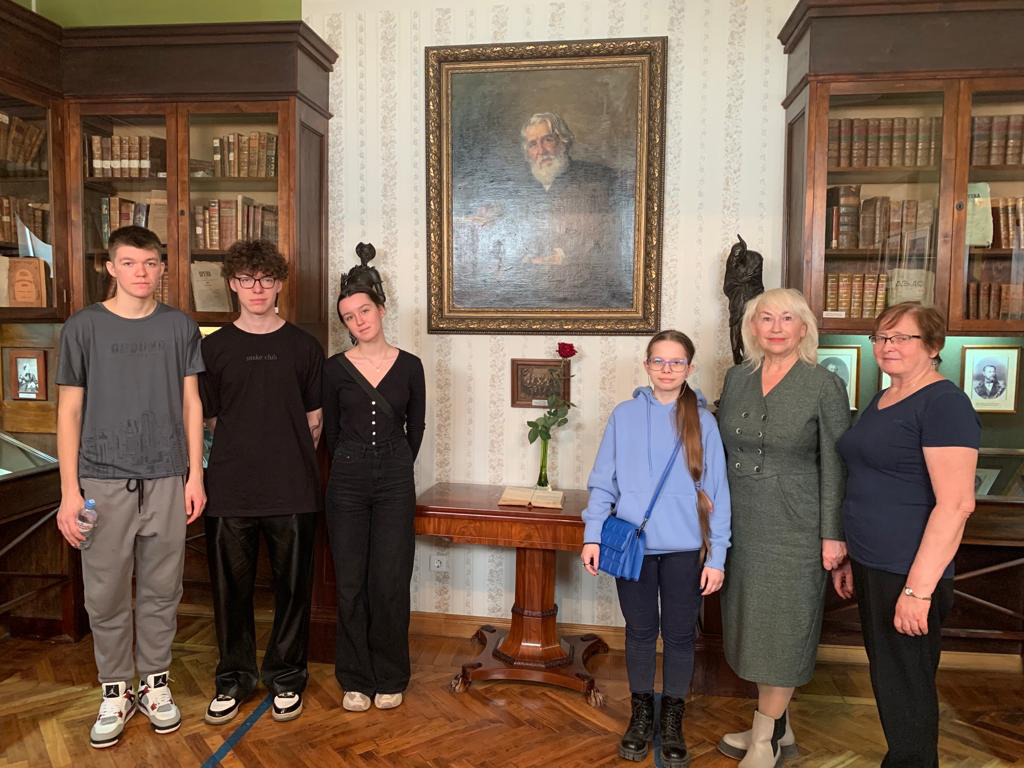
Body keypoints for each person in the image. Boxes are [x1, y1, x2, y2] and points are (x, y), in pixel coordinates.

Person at [54, 225, 205, 749]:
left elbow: (191, 404)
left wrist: (195, 475)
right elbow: (69, 411)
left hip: (166, 479)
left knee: (164, 589)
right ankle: (116, 689)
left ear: (162, 268)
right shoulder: (83, 327)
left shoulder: (180, 326)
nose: (141, 272)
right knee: (105, 592)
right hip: (101, 480)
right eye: (129, 262)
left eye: (150, 263)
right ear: (111, 268)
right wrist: (69, 491)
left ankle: (156, 684)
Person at [834, 302, 979, 766]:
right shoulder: (885, 397)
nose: (887, 346)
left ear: (933, 346)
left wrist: (918, 591)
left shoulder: (944, 404)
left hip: (909, 570)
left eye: (902, 338)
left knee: (907, 687)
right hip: (873, 563)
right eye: (881, 337)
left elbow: (956, 505)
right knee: (892, 682)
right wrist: (851, 557)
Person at [580, 330, 731, 767]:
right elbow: (603, 481)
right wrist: (592, 535)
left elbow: (718, 494)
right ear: (646, 365)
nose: (667, 369)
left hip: (685, 550)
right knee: (640, 632)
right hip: (634, 547)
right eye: (659, 361)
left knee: (680, 636)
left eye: (676, 362)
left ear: (689, 368)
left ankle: (673, 718)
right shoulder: (624, 415)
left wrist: (717, 557)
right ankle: (642, 714)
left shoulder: (704, 422)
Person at [715, 288, 850, 767]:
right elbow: (719, 452)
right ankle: (779, 725)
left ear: (803, 328)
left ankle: (764, 740)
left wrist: (833, 534)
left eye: (787, 318)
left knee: (784, 629)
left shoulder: (824, 384)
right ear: (752, 327)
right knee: (753, 626)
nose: (776, 327)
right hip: (742, 524)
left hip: (797, 526)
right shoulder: (737, 378)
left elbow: (836, 465)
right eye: (766, 318)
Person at [199, 240, 324, 725]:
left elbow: (314, 422)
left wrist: (281, 455)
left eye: (266, 279)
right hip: (229, 489)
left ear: (279, 285)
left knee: (293, 591)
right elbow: (210, 421)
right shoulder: (212, 348)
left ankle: (286, 677)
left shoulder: (304, 347)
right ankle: (233, 679)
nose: (257, 288)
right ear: (232, 284)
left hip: (293, 488)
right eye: (247, 279)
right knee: (231, 592)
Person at [322, 268, 426, 712]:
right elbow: (330, 432)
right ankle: (355, 678)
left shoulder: (410, 366)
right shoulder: (334, 369)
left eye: (364, 311)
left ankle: (390, 675)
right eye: (349, 316)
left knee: (390, 579)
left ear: (381, 310)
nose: (359, 321)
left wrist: (393, 463)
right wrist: (355, 461)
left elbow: (415, 428)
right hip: (346, 480)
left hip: (395, 480)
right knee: (350, 582)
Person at [453, 111, 632, 309]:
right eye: (533, 144)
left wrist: (566, 255)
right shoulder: (521, 186)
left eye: (548, 140)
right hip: (530, 290)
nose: (541, 150)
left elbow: (610, 241)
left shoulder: (598, 179)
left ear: (563, 142)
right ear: (528, 152)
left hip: (583, 293)